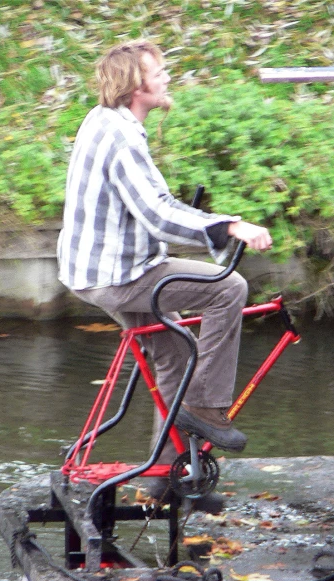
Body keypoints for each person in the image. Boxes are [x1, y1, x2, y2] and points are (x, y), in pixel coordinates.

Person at [57, 40, 272, 502]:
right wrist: (229, 226)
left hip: (93, 271)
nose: (168, 77)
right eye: (160, 72)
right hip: (118, 276)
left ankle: (164, 476)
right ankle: (207, 408)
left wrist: (209, 224)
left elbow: (154, 206)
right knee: (229, 288)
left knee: (175, 348)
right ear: (137, 85)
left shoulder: (104, 120)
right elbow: (156, 213)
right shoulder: (121, 137)